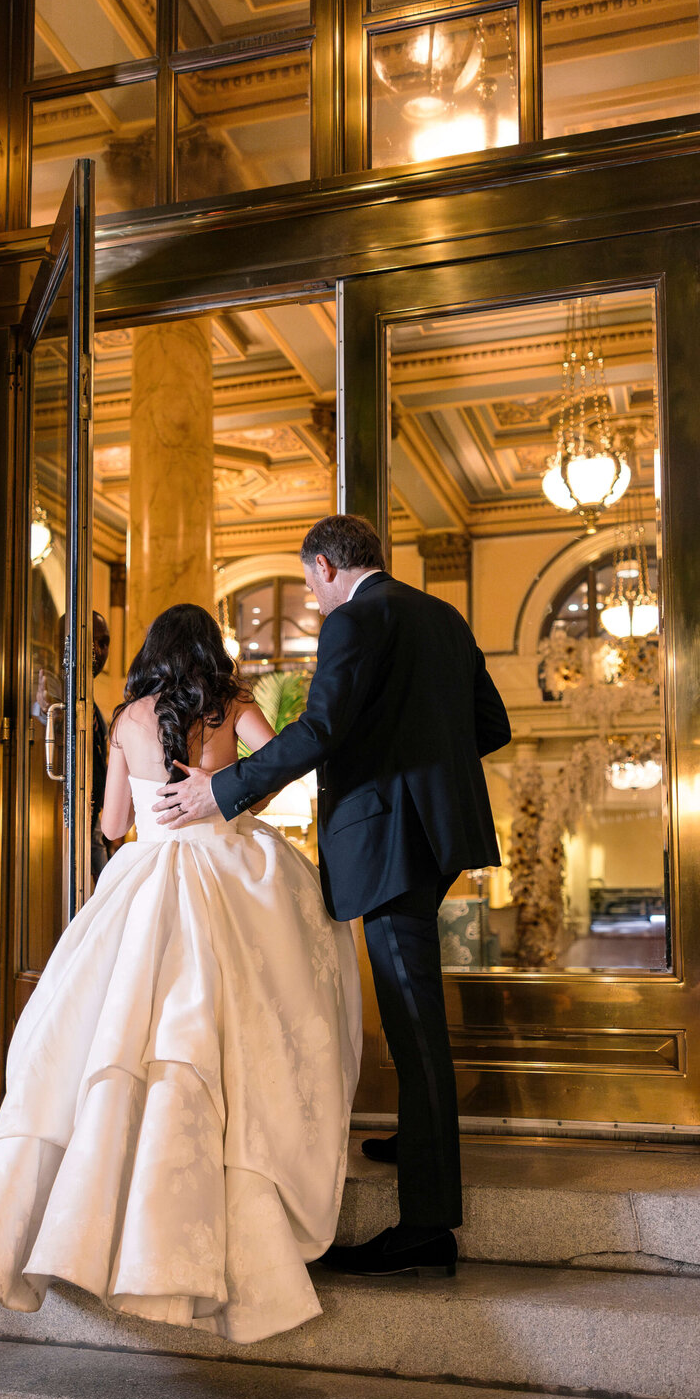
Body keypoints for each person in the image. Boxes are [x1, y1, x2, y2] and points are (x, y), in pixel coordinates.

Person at [0, 604, 362, 1344]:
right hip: (230, 868)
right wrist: (238, 795)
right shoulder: (231, 705)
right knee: (237, 1024)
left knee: (115, 1035)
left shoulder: (128, 716)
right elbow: (292, 753)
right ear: (211, 649)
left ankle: (76, 1219)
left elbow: (109, 824)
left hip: (148, 874)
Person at [157, 515, 510, 1279]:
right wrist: (418, 759)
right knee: (409, 1000)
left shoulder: (355, 618)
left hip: (390, 836)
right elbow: (492, 723)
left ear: (323, 567)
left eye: (311, 584)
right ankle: (418, 1138)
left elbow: (320, 728)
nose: (315, 601)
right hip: (440, 832)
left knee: (414, 1018)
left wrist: (223, 791)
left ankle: (427, 1225)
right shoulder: (443, 616)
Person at [90, 609, 112, 885]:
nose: (97, 650)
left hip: (93, 821)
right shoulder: (54, 694)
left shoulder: (92, 707)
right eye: (90, 641)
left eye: (103, 643)